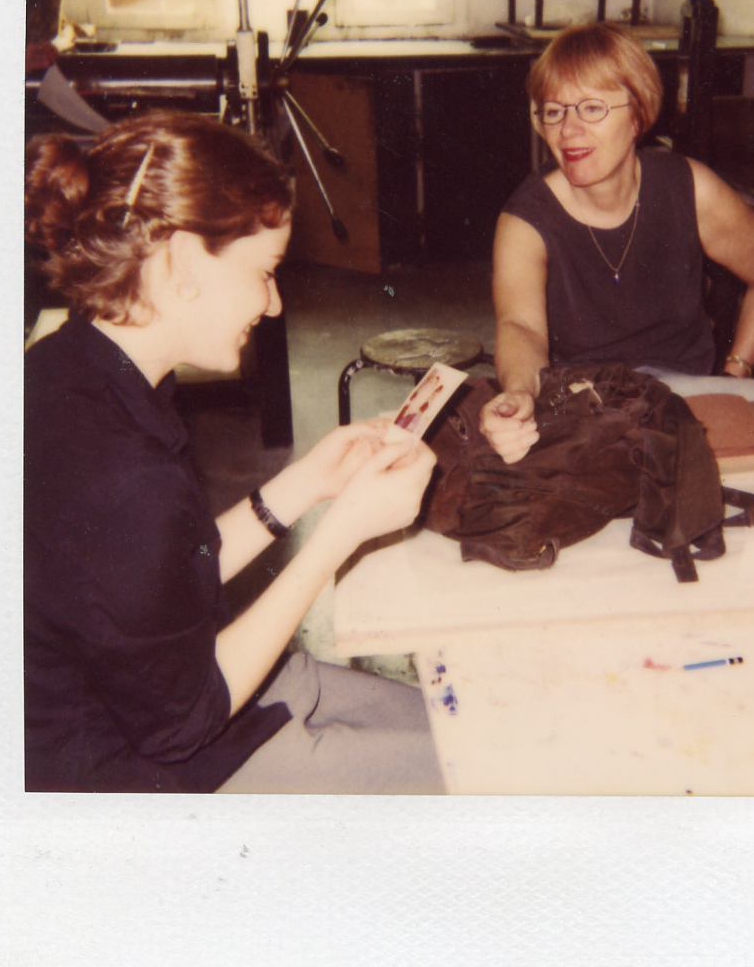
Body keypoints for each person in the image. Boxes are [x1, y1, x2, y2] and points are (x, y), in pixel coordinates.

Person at [24, 110, 444, 794]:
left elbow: (155, 576)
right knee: (480, 770)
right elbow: (183, 721)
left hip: (175, 688)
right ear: (184, 261)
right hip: (148, 767)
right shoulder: (116, 469)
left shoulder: (78, 364)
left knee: (458, 730)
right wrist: (338, 536)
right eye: (265, 272)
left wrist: (305, 484)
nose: (274, 304)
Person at [479, 23, 754, 464]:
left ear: (638, 114)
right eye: (553, 111)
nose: (568, 130)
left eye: (591, 108)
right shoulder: (524, 220)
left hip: (688, 402)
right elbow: (521, 327)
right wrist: (518, 390)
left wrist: (735, 373)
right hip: (586, 409)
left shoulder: (690, 188)